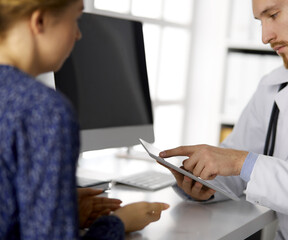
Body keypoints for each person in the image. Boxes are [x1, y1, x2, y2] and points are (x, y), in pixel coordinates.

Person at [159, 0, 288, 239]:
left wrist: (242, 162)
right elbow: (237, 162)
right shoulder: (273, 85)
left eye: (273, 15)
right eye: (260, 21)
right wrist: (206, 184)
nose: (265, 37)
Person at [0, 0, 169, 239]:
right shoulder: (44, 111)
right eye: (76, 19)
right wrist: (118, 223)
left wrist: (60, 210)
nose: (79, 34)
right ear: (40, 21)